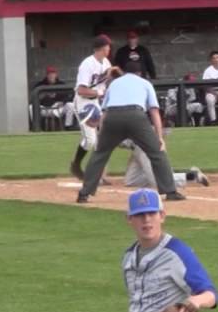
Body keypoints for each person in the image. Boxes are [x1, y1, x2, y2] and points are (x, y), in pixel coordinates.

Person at [77, 61, 184, 203]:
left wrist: (101, 136)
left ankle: (84, 193)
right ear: (139, 73)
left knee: (99, 154)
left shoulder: (114, 84)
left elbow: (105, 112)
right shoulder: (145, 83)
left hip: (112, 117)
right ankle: (170, 191)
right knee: (157, 153)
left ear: (125, 71)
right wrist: (159, 137)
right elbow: (154, 111)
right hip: (135, 116)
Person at [69, 36, 116, 180]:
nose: (109, 48)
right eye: (107, 46)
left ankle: (99, 174)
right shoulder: (87, 64)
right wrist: (100, 93)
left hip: (95, 102)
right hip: (83, 103)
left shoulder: (106, 62)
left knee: (100, 140)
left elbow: (105, 82)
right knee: (90, 140)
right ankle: (76, 165)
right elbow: (81, 90)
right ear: (102, 48)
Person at [121, 137, 210, 190]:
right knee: (131, 181)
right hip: (137, 148)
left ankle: (193, 175)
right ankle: (162, 175)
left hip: (145, 146)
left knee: (157, 182)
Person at [32, 66, 74, 131]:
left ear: (56, 75)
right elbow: (34, 98)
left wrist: (62, 102)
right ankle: (35, 127)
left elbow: (70, 96)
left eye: (53, 74)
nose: (51, 75)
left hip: (58, 108)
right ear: (46, 75)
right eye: (49, 74)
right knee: (31, 107)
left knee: (70, 105)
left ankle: (68, 127)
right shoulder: (40, 85)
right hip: (45, 109)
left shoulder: (61, 84)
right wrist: (44, 95)